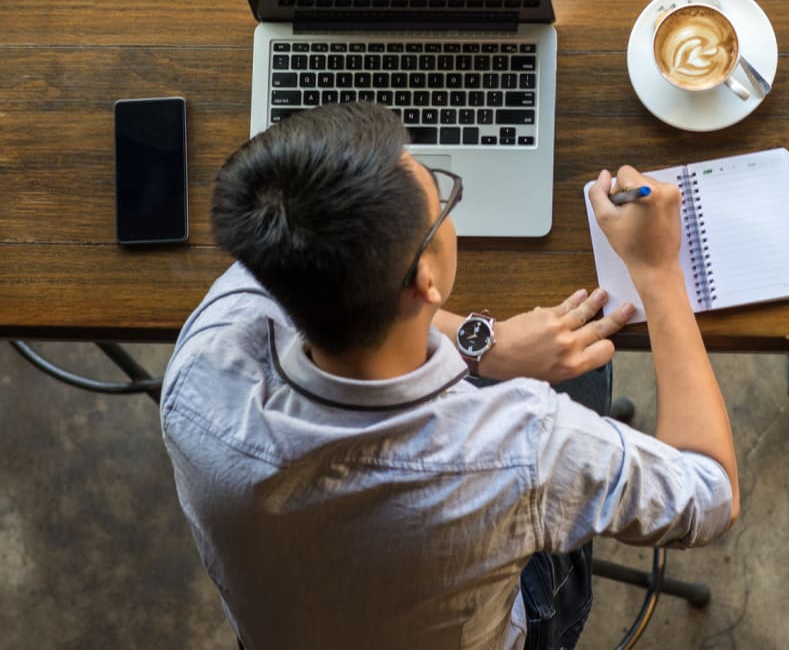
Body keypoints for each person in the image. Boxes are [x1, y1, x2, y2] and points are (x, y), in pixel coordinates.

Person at [160, 102, 739, 650]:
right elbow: (712, 496)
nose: (443, 198)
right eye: (441, 197)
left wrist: (484, 345)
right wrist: (657, 271)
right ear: (426, 283)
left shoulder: (202, 363)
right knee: (585, 382)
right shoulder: (524, 444)